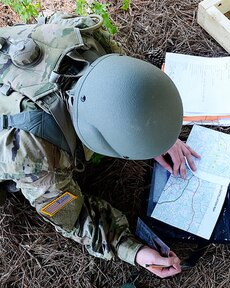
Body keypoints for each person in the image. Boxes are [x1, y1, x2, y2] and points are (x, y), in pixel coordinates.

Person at [0, 13, 199, 278]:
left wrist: (155, 134)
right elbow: (74, 217)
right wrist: (133, 250)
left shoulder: (89, 41)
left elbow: (131, 95)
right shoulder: (36, 153)